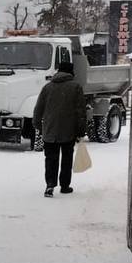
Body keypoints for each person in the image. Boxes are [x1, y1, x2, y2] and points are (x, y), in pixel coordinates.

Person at [32, 58, 87, 197]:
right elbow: (80, 111)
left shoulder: (48, 87)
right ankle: (64, 185)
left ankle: (50, 185)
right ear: (71, 72)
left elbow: (38, 109)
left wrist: (38, 125)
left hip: (50, 130)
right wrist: (81, 130)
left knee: (51, 159)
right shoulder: (76, 87)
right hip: (68, 130)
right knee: (66, 159)